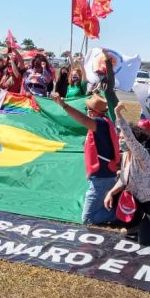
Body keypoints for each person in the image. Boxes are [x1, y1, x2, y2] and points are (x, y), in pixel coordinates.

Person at [104, 103, 150, 245]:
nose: (120, 140)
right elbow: (123, 179)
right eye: (119, 137)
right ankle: (138, 225)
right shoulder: (126, 155)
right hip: (139, 199)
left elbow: (130, 138)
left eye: (122, 138)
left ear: (134, 142)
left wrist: (118, 114)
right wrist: (111, 193)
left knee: (145, 239)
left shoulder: (142, 155)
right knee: (117, 201)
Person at [51, 92, 120, 224]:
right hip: (104, 176)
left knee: (88, 218)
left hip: (101, 178)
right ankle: (115, 208)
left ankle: (121, 213)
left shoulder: (99, 123)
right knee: (96, 206)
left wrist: (63, 105)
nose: (87, 112)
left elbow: (81, 119)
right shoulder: (105, 122)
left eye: (88, 109)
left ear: (94, 112)